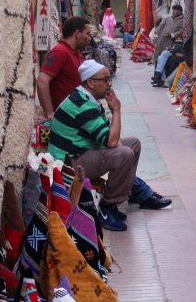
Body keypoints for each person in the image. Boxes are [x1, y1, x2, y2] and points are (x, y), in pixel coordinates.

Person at [49, 60, 172, 231]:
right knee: (125, 154)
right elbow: (112, 142)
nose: (110, 84)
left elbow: (113, 141)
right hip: (69, 162)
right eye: (105, 80)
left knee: (133, 144)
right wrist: (116, 110)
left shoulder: (88, 98)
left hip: (83, 152)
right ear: (91, 82)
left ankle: (133, 190)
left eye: (110, 79)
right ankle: (108, 206)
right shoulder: (82, 104)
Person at [37, 17, 91, 120]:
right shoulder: (60, 52)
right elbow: (42, 81)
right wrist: (49, 113)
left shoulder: (76, 53)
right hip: (66, 117)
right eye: (87, 34)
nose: (89, 38)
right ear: (77, 34)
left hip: (77, 113)